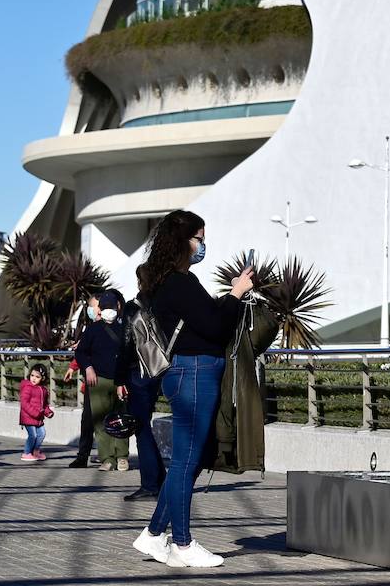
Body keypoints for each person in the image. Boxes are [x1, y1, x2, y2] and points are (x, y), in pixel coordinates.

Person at [131, 209, 253, 569]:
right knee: (187, 460)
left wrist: (230, 297)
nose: (203, 245)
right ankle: (181, 544)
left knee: (192, 458)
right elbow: (215, 327)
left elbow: (203, 321)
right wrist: (235, 294)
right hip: (194, 373)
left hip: (189, 372)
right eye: (199, 238)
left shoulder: (170, 282)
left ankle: (154, 534)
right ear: (182, 241)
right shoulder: (180, 283)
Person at [75, 289, 131, 471]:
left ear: (118, 307)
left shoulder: (125, 329)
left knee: (121, 419)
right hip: (98, 381)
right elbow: (81, 352)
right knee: (100, 422)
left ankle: (122, 456)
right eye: (105, 307)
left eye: (111, 307)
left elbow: (130, 355)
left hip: (120, 382)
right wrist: (88, 367)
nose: (108, 310)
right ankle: (107, 458)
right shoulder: (92, 330)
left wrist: (124, 381)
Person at [122, 290, 167, 501]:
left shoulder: (132, 307)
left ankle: (150, 484)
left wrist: (118, 379)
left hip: (137, 373)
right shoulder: (161, 304)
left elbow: (126, 343)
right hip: (156, 370)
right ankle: (160, 479)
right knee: (144, 427)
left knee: (141, 429)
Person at [68, 295, 100, 469]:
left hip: (109, 379)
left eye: (93, 306)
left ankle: (111, 455)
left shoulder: (115, 326)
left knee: (106, 419)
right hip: (91, 381)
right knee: (87, 418)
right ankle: (83, 455)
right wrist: (73, 367)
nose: (91, 310)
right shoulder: (91, 329)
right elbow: (82, 351)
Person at [18, 363, 54, 461]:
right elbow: (24, 403)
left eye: (37, 377)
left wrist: (48, 412)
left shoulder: (43, 390)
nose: (33, 378)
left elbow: (44, 405)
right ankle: (26, 453)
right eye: (32, 375)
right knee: (32, 435)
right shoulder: (27, 387)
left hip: (38, 418)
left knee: (42, 434)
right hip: (28, 417)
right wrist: (35, 413)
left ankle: (35, 451)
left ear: (42, 378)